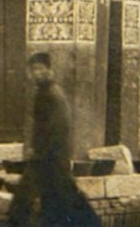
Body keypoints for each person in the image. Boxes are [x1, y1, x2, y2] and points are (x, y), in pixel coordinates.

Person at [8, 52, 100, 227]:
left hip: (51, 157)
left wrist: (40, 152)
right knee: (55, 199)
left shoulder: (52, 95)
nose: (36, 73)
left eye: (41, 69)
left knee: (32, 197)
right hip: (47, 157)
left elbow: (58, 128)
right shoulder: (43, 93)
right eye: (33, 69)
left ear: (50, 70)